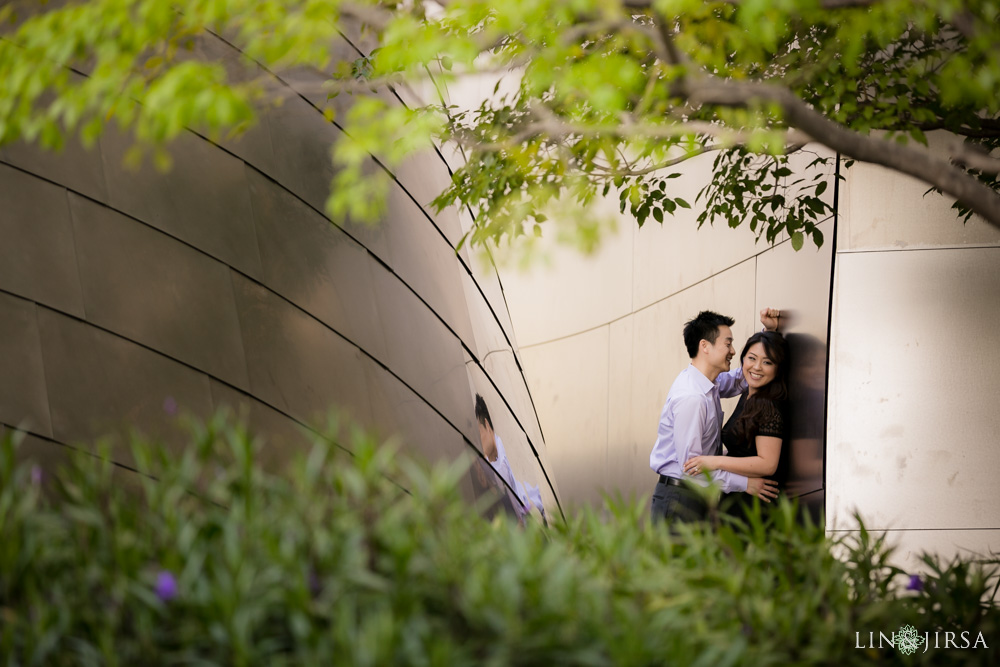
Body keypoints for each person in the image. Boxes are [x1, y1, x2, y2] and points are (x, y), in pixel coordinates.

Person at [650, 310, 780, 524]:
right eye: (727, 344)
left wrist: (768, 333)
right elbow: (693, 469)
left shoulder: (707, 383)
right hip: (680, 500)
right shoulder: (692, 398)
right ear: (705, 346)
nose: (733, 350)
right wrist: (746, 483)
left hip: (694, 496)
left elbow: (746, 376)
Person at [682, 330, 789, 517]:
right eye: (752, 358)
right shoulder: (749, 394)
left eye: (767, 362)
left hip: (754, 506)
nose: (757, 367)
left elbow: (768, 464)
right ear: (743, 359)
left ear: (778, 368)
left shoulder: (769, 405)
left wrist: (714, 461)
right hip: (736, 499)